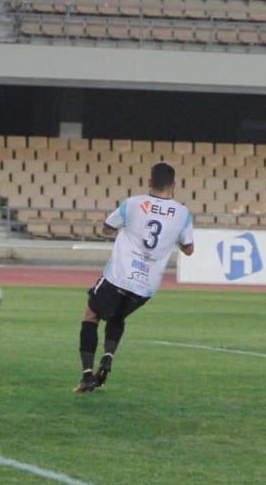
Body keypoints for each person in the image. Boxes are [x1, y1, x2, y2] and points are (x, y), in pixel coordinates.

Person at [75, 162, 194, 393]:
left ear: (149, 182)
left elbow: (106, 229)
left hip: (119, 276)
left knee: (91, 316)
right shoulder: (182, 214)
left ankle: (87, 375)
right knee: (118, 316)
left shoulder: (133, 204)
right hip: (146, 286)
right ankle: (108, 357)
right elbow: (189, 249)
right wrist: (172, 237)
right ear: (174, 185)